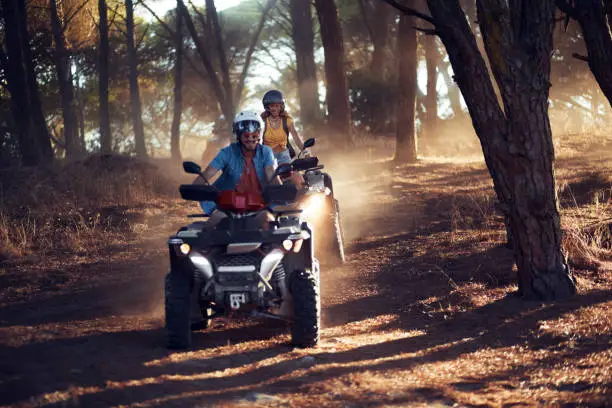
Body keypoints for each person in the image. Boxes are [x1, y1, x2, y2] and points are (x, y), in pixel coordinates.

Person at [195, 110, 281, 219]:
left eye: (254, 135)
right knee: (217, 219)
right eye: (246, 135)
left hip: (260, 205)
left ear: (259, 134)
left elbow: (271, 173)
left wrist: (280, 190)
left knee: (267, 219)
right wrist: (193, 188)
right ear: (238, 136)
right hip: (226, 206)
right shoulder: (226, 152)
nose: (250, 139)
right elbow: (208, 173)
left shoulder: (266, 152)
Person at [261, 90, 309, 165]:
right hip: (266, 154)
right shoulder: (263, 120)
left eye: (277, 106)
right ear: (267, 107)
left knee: (289, 172)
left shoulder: (287, 120)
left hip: (283, 153)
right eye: (272, 106)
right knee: (267, 173)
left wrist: (305, 151)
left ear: (281, 106)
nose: (274, 109)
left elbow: (296, 138)